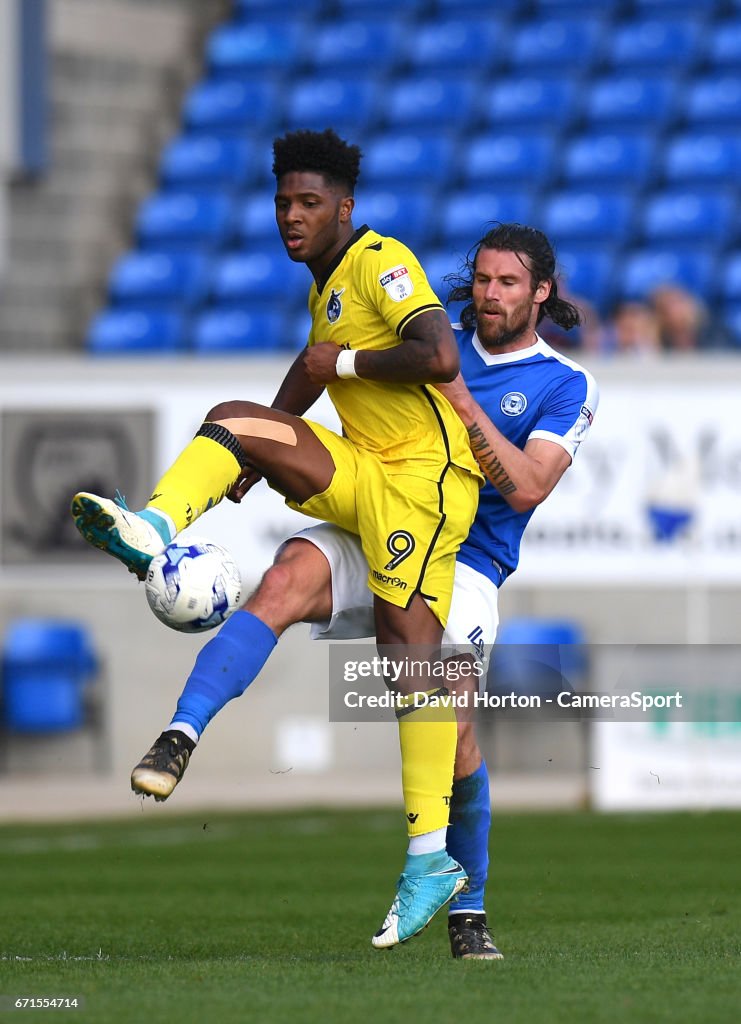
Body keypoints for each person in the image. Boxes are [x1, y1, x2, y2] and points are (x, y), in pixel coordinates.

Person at [125, 222, 599, 959]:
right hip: (372, 511)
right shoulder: (423, 341)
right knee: (280, 581)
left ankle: (465, 908)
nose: (490, 294)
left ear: (541, 292)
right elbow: (328, 366)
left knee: (457, 731)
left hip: (463, 560)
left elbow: (532, 486)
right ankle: (178, 735)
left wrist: (460, 403)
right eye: (481, 279)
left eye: (508, 283)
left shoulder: (563, 383)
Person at [71, 128, 483, 948]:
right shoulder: (325, 286)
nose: (291, 217)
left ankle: (431, 859)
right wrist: (263, 446)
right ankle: (151, 532)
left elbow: (436, 354)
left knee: (411, 669)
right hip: (366, 469)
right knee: (232, 424)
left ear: (344, 207)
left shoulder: (378, 258)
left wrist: (346, 373)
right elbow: (313, 362)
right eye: (282, 202)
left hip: (424, 485)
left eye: (308, 203)